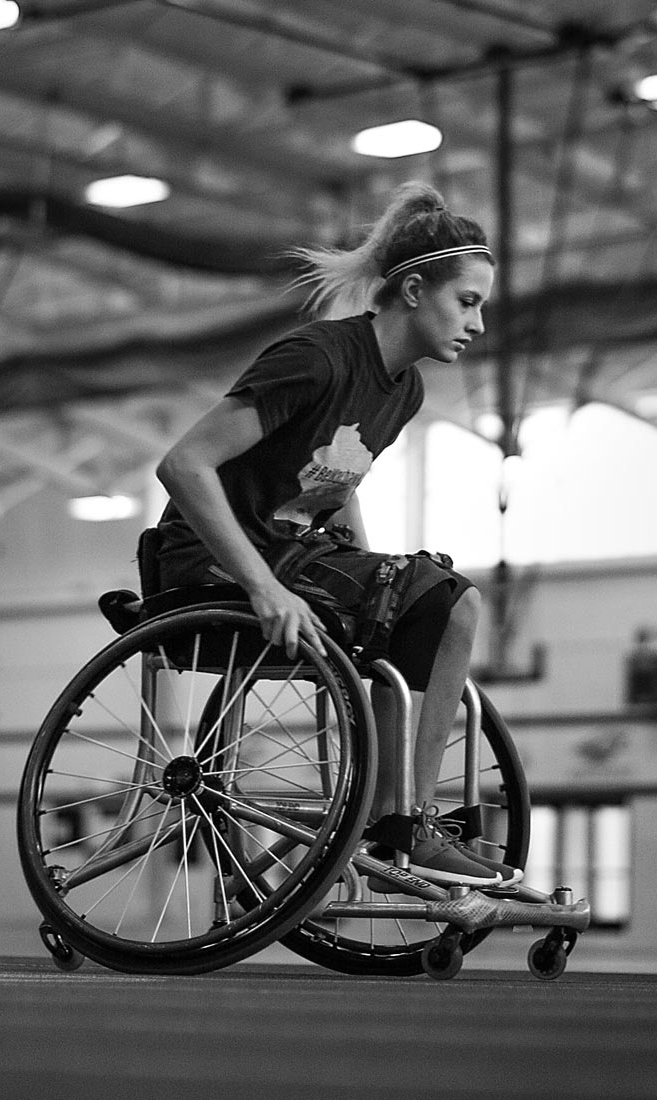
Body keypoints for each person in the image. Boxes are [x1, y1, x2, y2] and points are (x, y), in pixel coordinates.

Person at [151, 181, 514, 890]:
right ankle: (398, 820)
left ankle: (400, 818)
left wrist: (378, 570)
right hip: (210, 557)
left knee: (436, 599)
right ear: (413, 290)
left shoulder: (401, 388)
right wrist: (261, 586)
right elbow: (183, 464)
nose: (477, 323)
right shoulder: (317, 358)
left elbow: (335, 485)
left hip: (293, 553)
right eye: (467, 302)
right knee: (450, 602)